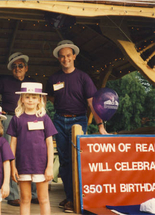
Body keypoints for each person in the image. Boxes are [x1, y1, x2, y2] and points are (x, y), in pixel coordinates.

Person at [46, 40, 108, 213]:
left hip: (78, 121)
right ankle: (69, 197)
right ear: (59, 58)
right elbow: (49, 98)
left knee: (77, 160)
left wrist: (100, 126)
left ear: (74, 56)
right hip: (58, 120)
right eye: (62, 56)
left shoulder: (83, 77)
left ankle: (77, 198)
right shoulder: (54, 78)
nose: (65, 59)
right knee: (65, 161)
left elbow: (92, 103)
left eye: (68, 55)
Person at [0, 52, 38, 206]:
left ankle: (33, 193)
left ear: (26, 68)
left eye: (20, 66)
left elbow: (41, 100)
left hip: (29, 119)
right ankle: (13, 195)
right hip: (10, 119)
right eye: (15, 66)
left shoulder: (32, 83)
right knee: (9, 156)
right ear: (12, 69)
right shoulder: (4, 82)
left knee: (30, 154)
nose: (18, 68)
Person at [7, 82, 57, 215]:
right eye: (27, 97)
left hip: (41, 166)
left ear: (39, 99)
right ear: (22, 98)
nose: (30, 100)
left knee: (43, 198)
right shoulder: (16, 119)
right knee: (25, 198)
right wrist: (13, 166)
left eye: (34, 97)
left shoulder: (45, 118)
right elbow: (13, 144)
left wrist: (49, 167)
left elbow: (49, 143)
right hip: (23, 165)